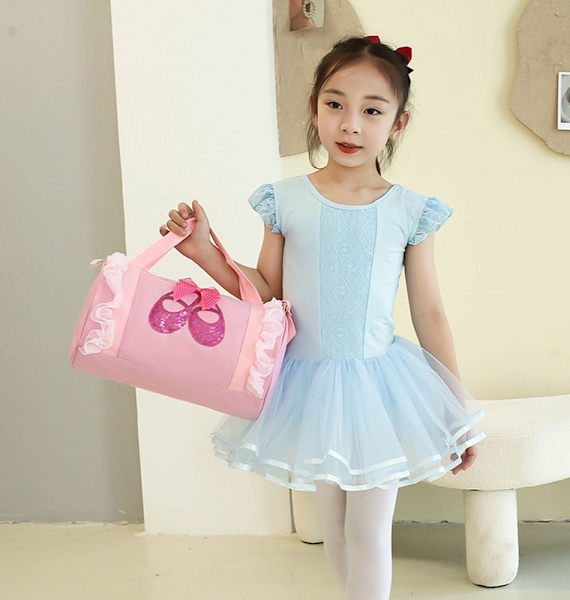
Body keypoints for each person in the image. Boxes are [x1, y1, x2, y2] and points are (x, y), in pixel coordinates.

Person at [160, 34, 486, 600]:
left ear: (399, 124)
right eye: (335, 104)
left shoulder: (410, 211)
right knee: (334, 532)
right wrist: (206, 253)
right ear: (315, 108)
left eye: (372, 110)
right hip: (307, 386)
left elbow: (429, 312)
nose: (350, 124)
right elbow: (268, 295)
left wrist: (456, 409)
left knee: (368, 532)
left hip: (380, 390)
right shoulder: (286, 200)